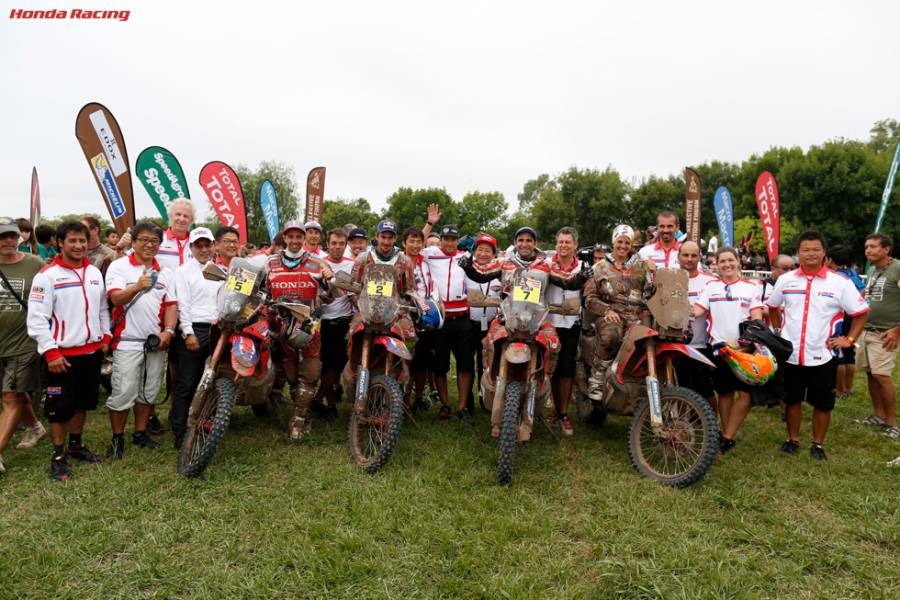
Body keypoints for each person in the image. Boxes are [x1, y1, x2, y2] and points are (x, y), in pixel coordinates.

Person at [460, 225, 587, 436]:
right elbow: (482, 274)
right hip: (507, 317)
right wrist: (468, 268)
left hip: (537, 319)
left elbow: (566, 281)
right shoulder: (504, 262)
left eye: (529, 240)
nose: (524, 244)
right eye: (521, 240)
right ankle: (490, 377)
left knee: (554, 344)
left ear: (535, 243)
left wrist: (581, 278)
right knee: (488, 341)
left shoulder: (546, 265)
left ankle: (544, 383)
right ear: (515, 243)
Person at [767, 231, 869, 460]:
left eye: (815, 249)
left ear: (824, 253)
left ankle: (818, 444)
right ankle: (793, 439)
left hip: (823, 354)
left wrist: (849, 340)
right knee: (792, 399)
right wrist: (778, 331)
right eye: (806, 250)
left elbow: (861, 312)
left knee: (823, 403)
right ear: (798, 253)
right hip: (792, 354)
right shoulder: (786, 280)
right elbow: (773, 306)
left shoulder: (839, 283)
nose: (811, 254)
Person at [27, 221, 110, 480]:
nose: (78, 245)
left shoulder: (94, 273)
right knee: (59, 407)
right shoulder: (46, 276)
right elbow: (36, 319)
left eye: (82, 240)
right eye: (72, 241)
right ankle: (58, 455)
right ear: (60, 243)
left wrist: (105, 334)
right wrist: (50, 352)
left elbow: (102, 308)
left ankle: (76, 446)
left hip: (91, 352)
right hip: (61, 356)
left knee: (83, 402)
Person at [103, 221, 177, 458]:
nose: (149, 245)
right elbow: (115, 299)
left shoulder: (165, 272)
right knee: (123, 391)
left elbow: (171, 305)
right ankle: (117, 438)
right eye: (144, 239)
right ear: (133, 242)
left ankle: (140, 432)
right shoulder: (119, 266)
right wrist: (136, 287)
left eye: (154, 241)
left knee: (149, 390)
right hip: (127, 340)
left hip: (155, 341)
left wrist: (168, 331)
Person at [264, 221, 332, 441]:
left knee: (310, 373)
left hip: (309, 328)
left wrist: (329, 280)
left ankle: (299, 420)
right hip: (281, 328)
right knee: (291, 374)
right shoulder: (271, 262)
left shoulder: (317, 263)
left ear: (304, 238)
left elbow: (331, 295)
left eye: (298, 237)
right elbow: (263, 292)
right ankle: (302, 409)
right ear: (284, 238)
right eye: (290, 236)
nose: (294, 241)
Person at [693, 247, 764, 452]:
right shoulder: (711, 286)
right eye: (722, 261)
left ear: (738, 261)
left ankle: (727, 434)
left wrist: (749, 342)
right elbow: (697, 311)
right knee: (725, 393)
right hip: (720, 349)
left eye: (730, 260)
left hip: (745, 350)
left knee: (747, 396)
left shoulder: (751, 287)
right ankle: (727, 436)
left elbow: (757, 318)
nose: (727, 264)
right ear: (716, 264)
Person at [581, 225, 651, 400]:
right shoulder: (599, 267)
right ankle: (597, 377)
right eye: (620, 241)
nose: (623, 246)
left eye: (627, 242)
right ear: (613, 242)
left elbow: (650, 293)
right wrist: (607, 310)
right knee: (612, 334)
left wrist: (654, 275)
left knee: (649, 342)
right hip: (609, 317)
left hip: (635, 318)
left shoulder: (642, 267)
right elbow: (589, 298)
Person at [0, 218, 47, 475]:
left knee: (10, 397)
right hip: (1, 341)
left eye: (12, 235)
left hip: (24, 341)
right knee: (14, 393)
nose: (8, 240)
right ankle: (35, 427)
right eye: (2, 236)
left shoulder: (35, 264)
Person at [421, 215, 476, 421]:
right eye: (446, 239)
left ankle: (462, 406)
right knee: (440, 365)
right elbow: (415, 243)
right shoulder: (432, 254)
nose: (449, 243)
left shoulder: (466, 257)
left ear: (458, 240)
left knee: (465, 364)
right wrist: (430, 224)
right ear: (441, 240)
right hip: (440, 318)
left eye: (453, 239)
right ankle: (445, 404)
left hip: (462, 318)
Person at [171, 227, 221, 450]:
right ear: (191, 248)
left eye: (207, 245)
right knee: (187, 382)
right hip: (194, 330)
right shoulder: (183, 272)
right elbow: (183, 305)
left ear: (213, 246)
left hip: (217, 330)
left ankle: (205, 423)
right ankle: (180, 431)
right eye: (198, 246)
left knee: (211, 380)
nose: (203, 249)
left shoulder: (221, 271)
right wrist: (188, 333)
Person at [856, 233, 900, 438]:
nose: (868, 250)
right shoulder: (872, 269)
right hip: (867, 329)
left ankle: (892, 423)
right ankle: (878, 415)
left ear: (886, 249)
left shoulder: (897, 268)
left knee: (882, 376)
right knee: (870, 374)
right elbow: (868, 292)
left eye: (873, 246)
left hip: (886, 333)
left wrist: (897, 330)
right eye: (866, 247)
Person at [547, 227, 584, 436]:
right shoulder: (546, 265)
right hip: (550, 322)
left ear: (575, 245)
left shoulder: (583, 267)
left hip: (571, 323)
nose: (563, 245)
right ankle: (554, 408)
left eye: (568, 242)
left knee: (567, 367)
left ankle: (564, 412)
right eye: (560, 242)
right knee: (552, 366)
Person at [314, 228, 355, 412]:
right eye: (334, 243)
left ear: (346, 245)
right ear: (327, 244)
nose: (337, 247)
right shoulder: (318, 264)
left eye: (341, 244)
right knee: (325, 362)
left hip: (344, 320)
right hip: (322, 321)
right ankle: (330, 404)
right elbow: (312, 289)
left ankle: (318, 398)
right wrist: (321, 295)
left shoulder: (352, 264)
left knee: (339, 361)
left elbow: (357, 290)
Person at [676, 240, 716, 406]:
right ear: (678, 256)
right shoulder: (669, 278)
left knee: (705, 391)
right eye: (685, 255)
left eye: (694, 255)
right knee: (679, 390)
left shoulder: (710, 281)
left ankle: (711, 421)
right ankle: (681, 421)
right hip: (675, 345)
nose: (689, 259)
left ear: (699, 257)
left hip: (702, 344)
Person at [465, 233, 501, 413]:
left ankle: (485, 399)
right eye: (480, 250)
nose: (483, 254)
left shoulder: (500, 271)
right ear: (474, 251)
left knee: (487, 364)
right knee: (467, 363)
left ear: (494, 254)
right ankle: (467, 401)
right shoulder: (466, 269)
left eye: (488, 251)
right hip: (469, 322)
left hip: (491, 324)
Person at [403, 226, 438, 410]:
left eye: (418, 242)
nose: (415, 245)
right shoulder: (399, 262)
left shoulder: (427, 260)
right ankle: (404, 398)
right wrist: (429, 223)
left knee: (423, 357)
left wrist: (431, 224)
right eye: (411, 241)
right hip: (405, 312)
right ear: (404, 243)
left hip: (426, 312)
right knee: (408, 357)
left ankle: (418, 397)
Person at [825, 245, 866, 399]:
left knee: (839, 353)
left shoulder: (835, 277)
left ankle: (839, 389)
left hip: (842, 316)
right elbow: (863, 292)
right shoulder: (853, 273)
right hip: (855, 316)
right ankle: (848, 388)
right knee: (849, 353)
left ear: (830, 260)